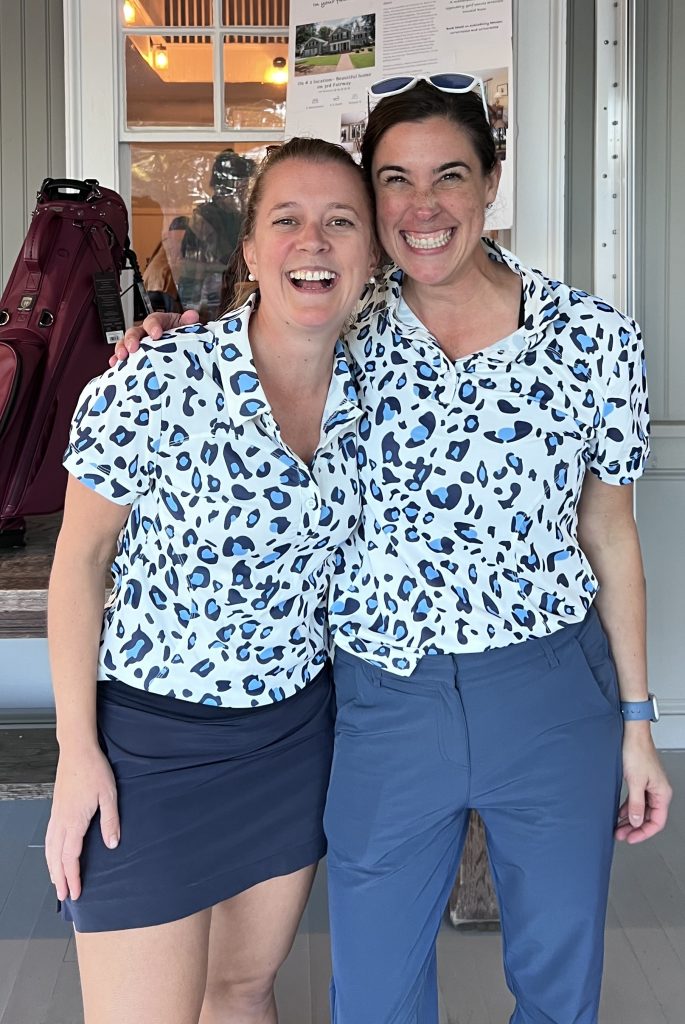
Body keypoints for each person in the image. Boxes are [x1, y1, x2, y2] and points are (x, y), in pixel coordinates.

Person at [115, 75, 672, 1024]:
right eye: (394, 181)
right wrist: (165, 337)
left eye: (448, 175)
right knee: (372, 992)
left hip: (549, 696)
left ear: (490, 183)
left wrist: (635, 722)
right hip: (384, 702)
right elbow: (243, 351)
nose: (422, 207)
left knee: (558, 979)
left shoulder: (593, 341)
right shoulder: (341, 322)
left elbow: (608, 531)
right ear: (372, 203)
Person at [45, 136, 378, 1024]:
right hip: (149, 753)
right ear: (249, 249)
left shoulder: (378, 389)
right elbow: (78, 564)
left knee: (241, 992)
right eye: (287, 220)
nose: (314, 242)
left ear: (371, 252)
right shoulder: (156, 380)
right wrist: (77, 754)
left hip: (290, 742)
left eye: (341, 222)